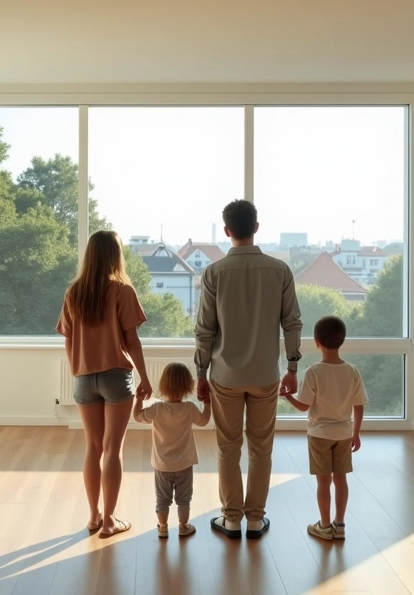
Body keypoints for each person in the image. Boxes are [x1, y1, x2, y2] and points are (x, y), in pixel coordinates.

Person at [195, 199, 303, 540]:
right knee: (261, 448)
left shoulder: (214, 273)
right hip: (265, 376)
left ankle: (230, 519)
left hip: (224, 377)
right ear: (256, 227)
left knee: (228, 448)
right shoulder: (280, 270)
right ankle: (255, 519)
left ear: (227, 231)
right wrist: (292, 366)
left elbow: (204, 330)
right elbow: (292, 322)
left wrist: (200, 374)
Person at [57, 230, 152, 538]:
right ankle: (111, 521)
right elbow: (132, 342)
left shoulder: (74, 292)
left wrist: (78, 371)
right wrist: (145, 377)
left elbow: (68, 339)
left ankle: (94, 516)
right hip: (115, 377)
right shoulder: (122, 290)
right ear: (115, 255)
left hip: (84, 379)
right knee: (113, 448)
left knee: (92, 447)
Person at [282, 315, 367, 541]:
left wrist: (287, 397)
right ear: (342, 340)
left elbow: (303, 406)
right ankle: (340, 525)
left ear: (317, 342)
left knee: (323, 481)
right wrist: (355, 432)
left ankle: (324, 525)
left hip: (319, 435)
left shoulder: (314, 372)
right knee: (341, 480)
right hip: (343, 434)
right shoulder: (352, 371)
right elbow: (359, 405)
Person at [133, 362, 211, 538]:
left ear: (163, 385)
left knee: (162, 499)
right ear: (187, 386)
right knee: (184, 499)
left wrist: (138, 399)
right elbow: (204, 421)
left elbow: (137, 416)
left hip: (162, 465)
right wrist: (207, 403)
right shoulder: (189, 408)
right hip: (184, 464)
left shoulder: (156, 409)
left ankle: (163, 527)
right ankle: (183, 526)